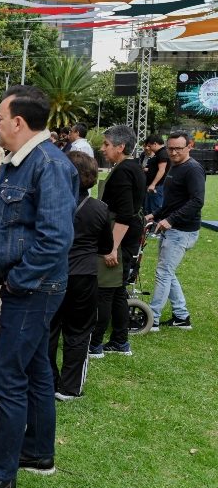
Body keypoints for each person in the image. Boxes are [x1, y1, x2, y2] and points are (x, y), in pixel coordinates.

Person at [0, 85, 77, 488]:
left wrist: (18, 281)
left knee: (5, 378)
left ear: (19, 122)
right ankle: (38, 452)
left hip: (34, 290)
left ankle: (2, 478)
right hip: (29, 287)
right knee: (37, 369)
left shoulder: (48, 165)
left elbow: (55, 239)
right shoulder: (21, 162)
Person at [48, 152, 112, 401]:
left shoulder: (50, 204)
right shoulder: (99, 209)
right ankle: (70, 387)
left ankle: (47, 380)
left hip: (52, 272)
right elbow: (106, 246)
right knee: (79, 331)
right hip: (83, 275)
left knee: (49, 329)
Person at [89, 125, 145, 358]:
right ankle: (120, 342)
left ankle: (94, 345)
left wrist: (111, 248)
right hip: (125, 237)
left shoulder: (124, 171)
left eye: (107, 144)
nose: (103, 149)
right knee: (118, 291)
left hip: (119, 239)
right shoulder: (133, 167)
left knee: (105, 291)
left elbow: (124, 214)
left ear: (120, 147)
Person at [147, 132, 205, 331]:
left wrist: (171, 220)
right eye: (170, 148)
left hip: (182, 231)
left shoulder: (193, 169)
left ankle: (152, 320)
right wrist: (155, 215)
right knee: (167, 272)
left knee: (163, 273)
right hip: (172, 228)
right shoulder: (175, 166)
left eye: (178, 148)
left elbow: (197, 201)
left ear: (190, 146)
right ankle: (181, 317)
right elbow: (172, 202)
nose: (173, 152)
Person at [143, 134, 170, 217]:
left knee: (154, 210)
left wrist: (153, 184)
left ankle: (155, 224)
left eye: (149, 146)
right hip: (153, 186)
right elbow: (156, 169)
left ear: (155, 144)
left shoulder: (162, 153)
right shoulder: (158, 153)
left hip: (157, 187)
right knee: (148, 209)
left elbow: (162, 170)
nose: (149, 148)